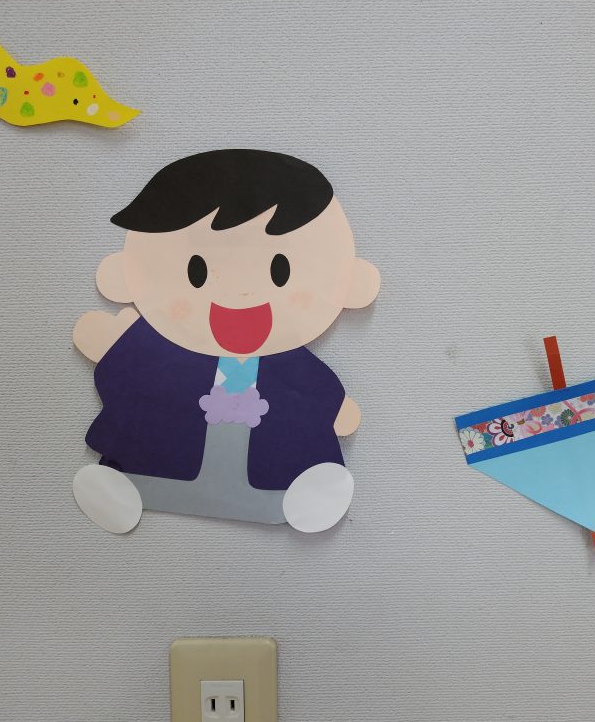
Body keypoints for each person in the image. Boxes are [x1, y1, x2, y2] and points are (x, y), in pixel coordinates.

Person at [71, 150, 380, 534]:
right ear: (124, 272)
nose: (239, 292)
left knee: (283, 453)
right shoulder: (158, 353)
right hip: (161, 466)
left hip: (267, 484)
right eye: (197, 271)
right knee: (152, 439)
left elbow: (312, 388)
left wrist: (333, 405)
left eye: (279, 271)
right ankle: (124, 487)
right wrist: (115, 345)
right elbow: (129, 374)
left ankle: (301, 494)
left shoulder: (290, 367)